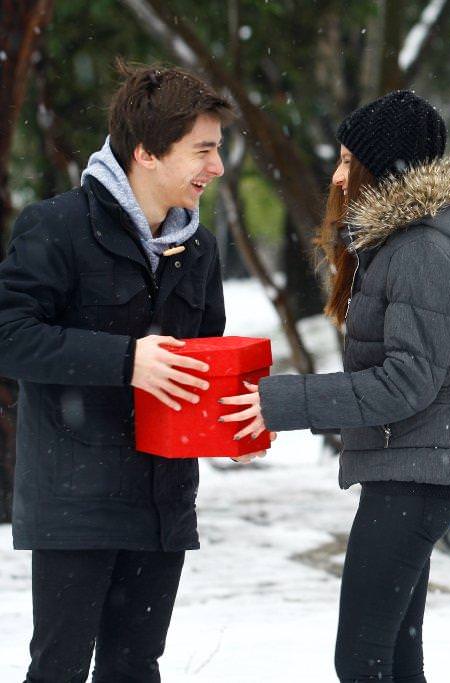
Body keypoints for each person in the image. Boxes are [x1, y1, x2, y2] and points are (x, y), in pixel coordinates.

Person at [219, 89, 450, 682]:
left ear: (388, 170)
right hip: (420, 464)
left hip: (419, 472)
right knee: (395, 653)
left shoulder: (422, 251)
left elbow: (405, 384)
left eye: (350, 162)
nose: (338, 175)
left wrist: (284, 402)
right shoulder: (407, 244)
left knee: (363, 656)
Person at [0, 62, 252, 682]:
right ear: (146, 152)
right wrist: (124, 360)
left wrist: (230, 420)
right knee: (58, 669)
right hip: (74, 499)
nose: (215, 168)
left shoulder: (200, 248)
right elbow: (10, 336)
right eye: (203, 151)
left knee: (135, 668)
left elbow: (201, 357)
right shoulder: (56, 227)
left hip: (162, 501)